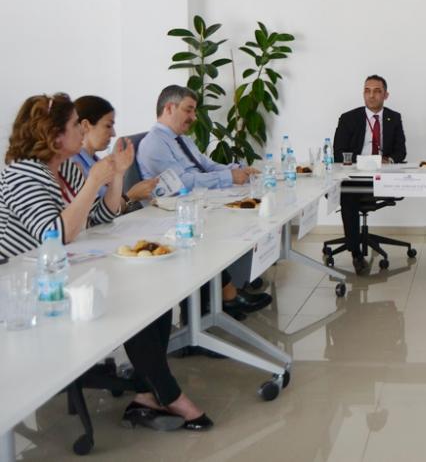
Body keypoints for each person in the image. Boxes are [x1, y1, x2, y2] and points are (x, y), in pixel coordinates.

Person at [0, 94, 212, 431]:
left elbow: (99, 217)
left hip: (61, 269)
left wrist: (116, 177)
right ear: (53, 135)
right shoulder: (22, 174)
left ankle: (148, 394)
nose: (81, 131)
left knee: (151, 292)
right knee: (131, 301)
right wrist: (93, 182)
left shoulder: (64, 169)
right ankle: (167, 394)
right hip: (23, 287)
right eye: (75, 125)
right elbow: (55, 234)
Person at [136, 85, 269, 319]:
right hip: (174, 213)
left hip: (197, 202)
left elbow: (206, 165)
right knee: (225, 225)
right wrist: (228, 177)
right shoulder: (154, 143)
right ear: (169, 108)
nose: (194, 117)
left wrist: (237, 170)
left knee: (248, 212)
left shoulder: (182, 140)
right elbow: (183, 182)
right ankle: (223, 298)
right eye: (188, 110)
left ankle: (232, 288)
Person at [332, 74, 407, 275]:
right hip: (355, 175)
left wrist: (388, 159)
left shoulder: (394, 117)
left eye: (377, 91)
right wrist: (366, 161)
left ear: (386, 95)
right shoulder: (348, 118)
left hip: (383, 176)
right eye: (367, 91)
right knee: (348, 195)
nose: (371, 95)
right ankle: (356, 252)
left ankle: (356, 245)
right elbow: (338, 153)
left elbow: (401, 152)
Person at [73, 95, 159, 204]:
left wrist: (119, 173)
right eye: (108, 126)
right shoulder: (74, 166)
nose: (113, 134)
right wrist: (131, 196)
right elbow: (95, 212)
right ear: (85, 125)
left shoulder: (97, 162)